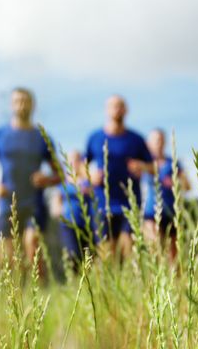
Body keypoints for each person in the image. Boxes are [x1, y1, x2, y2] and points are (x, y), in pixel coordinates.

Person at [0, 87, 61, 276]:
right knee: (6, 257)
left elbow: (60, 175)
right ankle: (17, 298)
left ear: (33, 105)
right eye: (17, 101)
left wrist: (47, 179)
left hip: (35, 203)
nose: (21, 105)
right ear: (11, 105)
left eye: (26, 101)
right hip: (8, 202)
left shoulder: (41, 137)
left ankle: (40, 294)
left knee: (33, 245)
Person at [85, 95, 153, 261]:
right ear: (106, 110)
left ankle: (130, 282)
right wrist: (90, 174)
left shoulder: (136, 139)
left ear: (126, 110)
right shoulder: (95, 137)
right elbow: (80, 165)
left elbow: (153, 168)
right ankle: (108, 284)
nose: (117, 109)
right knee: (106, 252)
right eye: (113, 106)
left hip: (130, 201)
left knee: (128, 245)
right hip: (102, 202)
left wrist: (142, 166)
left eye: (120, 106)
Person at [142, 128, 189, 262]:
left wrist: (176, 182)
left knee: (173, 254)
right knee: (154, 250)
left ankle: (176, 281)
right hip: (150, 212)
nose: (158, 142)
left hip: (171, 211)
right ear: (148, 143)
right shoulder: (145, 163)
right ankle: (155, 281)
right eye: (155, 140)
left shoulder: (173, 163)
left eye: (161, 139)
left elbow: (187, 186)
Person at [53, 149, 97, 267]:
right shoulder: (63, 181)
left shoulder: (88, 180)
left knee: (89, 255)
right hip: (69, 224)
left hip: (87, 223)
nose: (74, 163)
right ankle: (75, 280)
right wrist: (58, 210)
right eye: (71, 160)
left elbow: (95, 192)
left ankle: (87, 279)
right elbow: (57, 199)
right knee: (72, 254)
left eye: (77, 159)